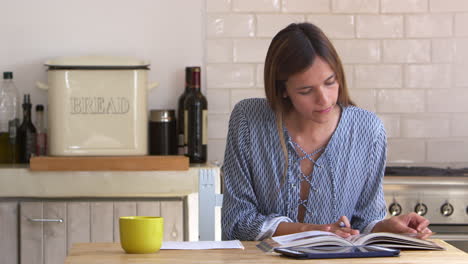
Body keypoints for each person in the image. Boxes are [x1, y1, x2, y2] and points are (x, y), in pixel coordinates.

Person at [221, 22, 432, 241]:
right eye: (306, 90)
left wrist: (385, 227)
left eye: (330, 82)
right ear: (283, 90)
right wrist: (307, 231)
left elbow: (363, 223)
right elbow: (236, 223)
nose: (324, 99)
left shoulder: (368, 129)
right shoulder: (248, 119)